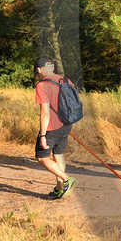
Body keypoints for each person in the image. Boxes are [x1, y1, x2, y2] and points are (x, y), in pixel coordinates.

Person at [33, 57, 76, 198]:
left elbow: (45, 112)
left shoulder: (42, 85)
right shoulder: (66, 80)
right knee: (58, 154)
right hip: (66, 123)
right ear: (52, 67)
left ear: (39, 69)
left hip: (51, 127)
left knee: (41, 157)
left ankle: (66, 179)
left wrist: (43, 135)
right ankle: (59, 188)